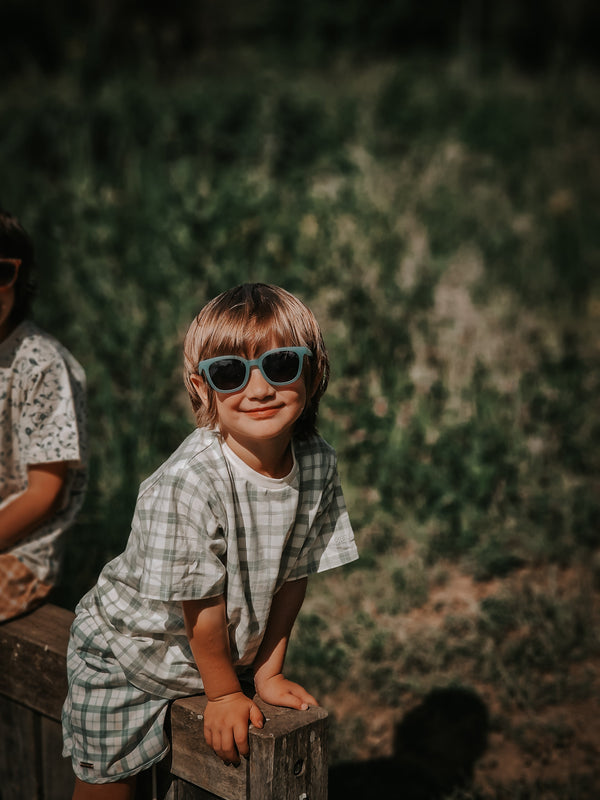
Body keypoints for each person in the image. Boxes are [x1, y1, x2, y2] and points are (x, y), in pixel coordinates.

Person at [62, 282, 358, 799]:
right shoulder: (191, 480)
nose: (259, 389)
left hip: (218, 655)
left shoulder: (317, 462)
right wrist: (222, 694)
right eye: (230, 373)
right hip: (132, 651)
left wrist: (267, 673)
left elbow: (296, 573)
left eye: (281, 365)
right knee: (109, 784)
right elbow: (199, 599)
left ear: (313, 373)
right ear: (202, 388)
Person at [0, 209, 87, 622]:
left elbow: (44, 494)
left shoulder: (40, 363)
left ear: (21, 277)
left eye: (1, 272)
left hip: (20, 554)